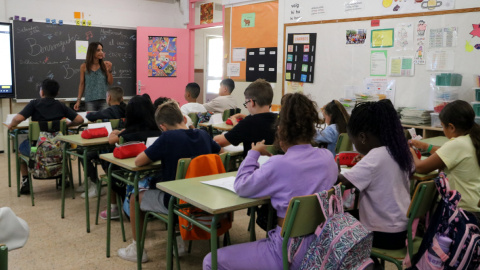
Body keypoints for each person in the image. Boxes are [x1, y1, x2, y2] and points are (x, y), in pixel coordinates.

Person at [203, 92, 338, 270]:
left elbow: (242, 186)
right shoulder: (328, 158)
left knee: (211, 260)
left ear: (281, 131)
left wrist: (254, 153)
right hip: (323, 245)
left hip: (286, 252)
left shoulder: (278, 164)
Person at [117, 101, 221, 263]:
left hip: (178, 202)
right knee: (175, 183)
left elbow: (139, 162)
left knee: (134, 198)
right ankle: (179, 240)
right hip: (204, 197)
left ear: (162, 127)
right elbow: (219, 151)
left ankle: (137, 250)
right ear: (184, 119)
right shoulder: (203, 134)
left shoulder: (167, 137)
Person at [337, 100, 413, 251]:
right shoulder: (399, 151)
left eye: (353, 141)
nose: (354, 145)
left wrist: (332, 168)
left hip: (382, 234)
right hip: (402, 230)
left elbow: (341, 183)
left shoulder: (376, 157)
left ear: (363, 137)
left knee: (332, 227)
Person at [8, 79, 84, 194]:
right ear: (57, 93)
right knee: (63, 151)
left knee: (20, 151)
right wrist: (68, 124)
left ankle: (26, 181)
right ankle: (63, 178)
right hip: (58, 147)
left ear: (41, 92)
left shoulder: (34, 104)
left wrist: (11, 125)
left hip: (36, 148)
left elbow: (18, 119)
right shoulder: (61, 106)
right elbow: (80, 120)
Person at [410, 100, 480, 219]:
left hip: (464, 212)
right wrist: (426, 146)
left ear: (451, 127)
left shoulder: (457, 144)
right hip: (475, 205)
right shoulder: (472, 138)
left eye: (442, 126)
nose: (443, 129)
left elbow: (420, 168)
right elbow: (446, 153)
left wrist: (410, 151)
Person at [99, 95, 162, 220]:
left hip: (131, 176)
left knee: (108, 164)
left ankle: (114, 207)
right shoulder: (160, 131)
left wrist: (115, 132)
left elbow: (111, 141)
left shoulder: (127, 134)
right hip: (157, 178)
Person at [77, 86, 127, 199]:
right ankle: (91, 182)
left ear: (108, 97)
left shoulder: (109, 111)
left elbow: (90, 116)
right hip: (123, 148)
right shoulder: (127, 110)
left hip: (108, 149)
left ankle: (95, 184)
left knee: (82, 152)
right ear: (122, 98)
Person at [213, 79, 277, 157]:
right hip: (277, 167)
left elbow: (219, 141)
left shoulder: (248, 123)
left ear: (252, 102)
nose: (246, 106)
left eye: (246, 103)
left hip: (252, 167)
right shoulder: (280, 120)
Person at [74, 42, 113, 111]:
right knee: (92, 120)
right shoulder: (84, 66)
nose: (101, 52)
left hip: (104, 100)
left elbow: (110, 82)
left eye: (102, 50)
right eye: (98, 50)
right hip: (90, 100)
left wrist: (109, 71)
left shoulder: (105, 65)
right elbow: (82, 84)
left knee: (104, 121)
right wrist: (78, 100)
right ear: (92, 51)